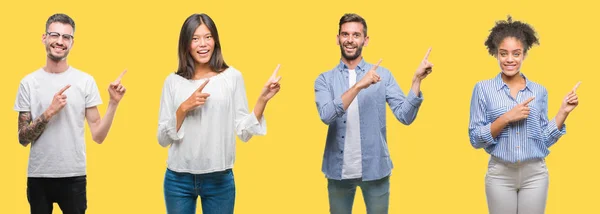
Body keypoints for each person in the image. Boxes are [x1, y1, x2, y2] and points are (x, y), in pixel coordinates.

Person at [157, 13, 282, 214]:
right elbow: (162, 139)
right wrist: (183, 108)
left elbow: (244, 132)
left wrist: (262, 100)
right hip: (178, 180)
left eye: (208, 37)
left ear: (215, 40)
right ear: (186, 44)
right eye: (195, 39)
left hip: (219, 179)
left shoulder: (232, 77)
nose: (203, 44)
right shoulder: (173, 81)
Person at [314, 13, 434, 214]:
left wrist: (416, 81)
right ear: (337, 38)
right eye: (345, 34)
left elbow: (405, 116)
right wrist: (359, 86)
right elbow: (326, 115)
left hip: (376, 169)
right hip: (338, 172)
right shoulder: (324, 79)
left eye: (356, 35)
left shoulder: (383, 75)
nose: (350, 40)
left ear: (365, 40)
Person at [14, 13, 127, 214]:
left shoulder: (85, 81)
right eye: (55, 35)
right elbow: (22, 138)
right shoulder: (28, 83)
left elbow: (98, 136)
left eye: (66, 37)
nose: (60, 41)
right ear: (44, 38)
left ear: (72, 42)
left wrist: (113, 103)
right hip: (39, 177)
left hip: (73, 176)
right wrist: (49, 112)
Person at [468, 16, 580, 214]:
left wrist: (563, 112)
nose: (509, 59)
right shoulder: (483, 89)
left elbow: (543, 139)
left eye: (516, 54)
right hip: (500, 174)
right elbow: (475, 139)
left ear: (524, 54)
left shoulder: (539, 91)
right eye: (503, 54)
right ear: (495, 54)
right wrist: (506, 118)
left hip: (535, 173)